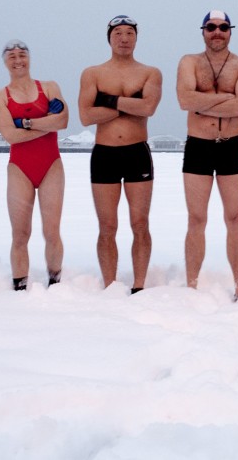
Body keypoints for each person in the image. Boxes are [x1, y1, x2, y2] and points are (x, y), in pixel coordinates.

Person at [176, 10, 238, 300]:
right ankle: (192, 286)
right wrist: (228, 99)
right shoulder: (189, 62)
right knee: (196, 219)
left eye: (223, 27)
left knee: (235, 218)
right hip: (198, 146)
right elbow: (185, 99)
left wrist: (203, 103)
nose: (217, 32)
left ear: (230, 31)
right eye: (211, 27)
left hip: (231, 146)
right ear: (203, 31)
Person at [78, 16, 163, 293]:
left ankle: (139, 285)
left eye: (129, 33)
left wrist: (108, 100)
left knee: (140, 222)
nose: (124, 38)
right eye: (118, 33)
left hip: (137, 152)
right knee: (107, 225)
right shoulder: (93, 73)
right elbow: (86, 116)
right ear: (109, 38)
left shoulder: (150, 72)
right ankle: (110, 284)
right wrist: (131, 104)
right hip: (104, 155)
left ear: (136, 38)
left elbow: (149, 108)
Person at [0, 39, 68, 291]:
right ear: (5, 63)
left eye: (22, 55)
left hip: (51, 165)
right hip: (19, 168)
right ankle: (19, 285)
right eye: (11, 56)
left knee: (51, 230)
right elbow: (10, 137)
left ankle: (55, 280)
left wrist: (24, 123)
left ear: (30, 58)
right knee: (20, 233)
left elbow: (63, 121)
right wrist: (46, 121)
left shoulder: (49, 87)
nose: (18, 60)